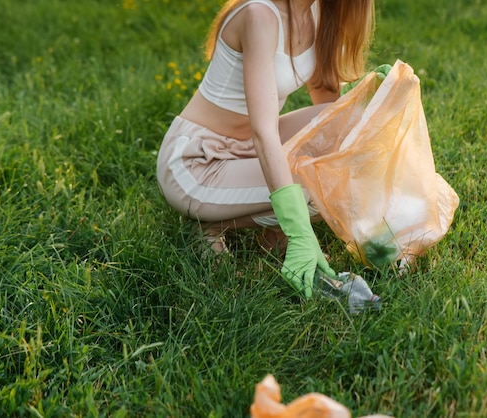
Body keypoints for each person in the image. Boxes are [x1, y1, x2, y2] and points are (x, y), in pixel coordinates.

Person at [156, 0, 375, 298]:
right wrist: (300, 229)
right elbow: (263, 131)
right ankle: (210, 225)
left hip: (251, 146)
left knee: (351, 125)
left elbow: (328, 109)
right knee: (322, 184)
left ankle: (274, 233)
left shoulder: (318, 11)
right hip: (198, 162)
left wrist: (372, 105)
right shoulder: (259, 15)